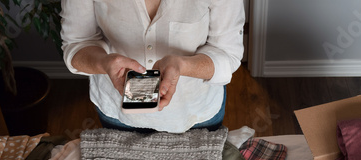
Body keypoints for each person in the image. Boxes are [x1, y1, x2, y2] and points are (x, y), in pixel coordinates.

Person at [60, 0, 245, 133]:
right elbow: (77, 42)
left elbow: (228, 53)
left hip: (195, 112)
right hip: (116, 111)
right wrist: (104, 62)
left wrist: (182, 65)